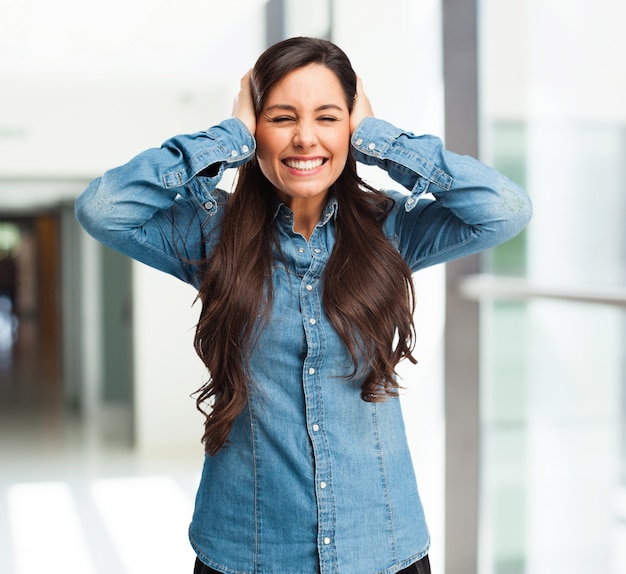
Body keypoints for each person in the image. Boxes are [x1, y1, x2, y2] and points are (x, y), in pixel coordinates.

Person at [75, 36, 532, 574]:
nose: (305, 138)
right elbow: (104, 208)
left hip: (380, 548)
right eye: (281, 117)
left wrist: (377, 137)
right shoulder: (211, 233)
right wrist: (228, 136)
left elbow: (503, 209)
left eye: (328, 117)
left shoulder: (392, 229)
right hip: (248, 551)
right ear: (256, 127)